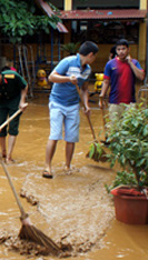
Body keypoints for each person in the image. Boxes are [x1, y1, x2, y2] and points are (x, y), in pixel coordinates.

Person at [43, 41, 99, 179]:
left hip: (73, 105)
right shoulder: (68, 61)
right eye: (94, 56)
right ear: (91, 55)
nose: (94, 59)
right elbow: (51, 77)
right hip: (57, 103)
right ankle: (47, 167)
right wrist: (68, 79)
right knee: (55, 135)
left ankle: (67, 166)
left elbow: (85, 89)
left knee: (71, 137)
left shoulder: (87, 70)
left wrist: (86, 105)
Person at [0, 63, 29, 163]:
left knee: (13, 127)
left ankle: (9, 156)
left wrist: (22, 101)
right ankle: (3, 153)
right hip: (1, 102)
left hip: (15, 101)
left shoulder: (12, 76)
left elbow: (25, 86)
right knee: (1, 127)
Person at [99, 39, 145, 123]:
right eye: (119, 49)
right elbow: (106, 81)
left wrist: (130, 63)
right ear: (116, 51)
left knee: (129, 128)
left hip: (130, 102)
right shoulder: (110, 64)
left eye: (123, 49)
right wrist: (101, 96)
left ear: (128, 49)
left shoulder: (135, 62)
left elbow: (141, 77)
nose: (121, 51)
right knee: (115, 127)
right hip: (114, 101)